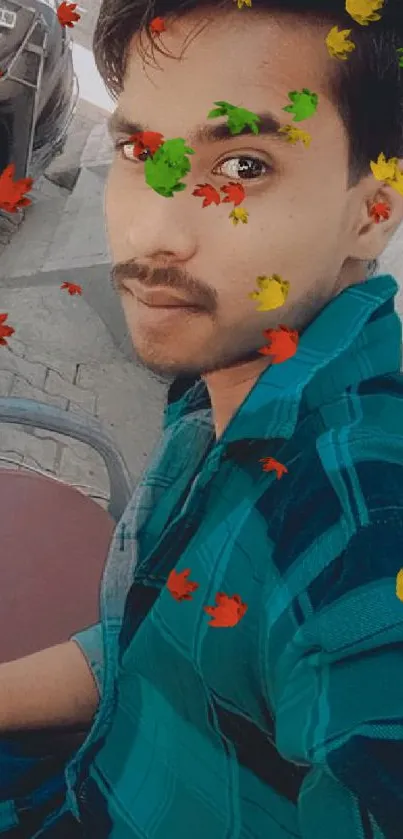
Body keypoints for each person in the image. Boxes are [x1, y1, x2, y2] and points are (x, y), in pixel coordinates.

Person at [1, 0, 403, 836]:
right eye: (137, 149)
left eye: (246, 165)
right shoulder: (231, 368)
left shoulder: (355, 534)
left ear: (372, 211)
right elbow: (154, 639)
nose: (155, 229)